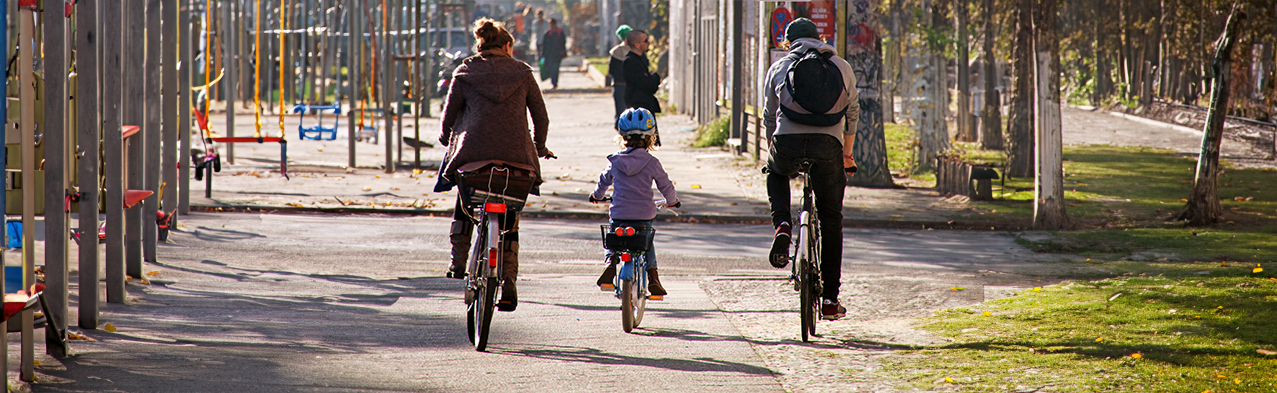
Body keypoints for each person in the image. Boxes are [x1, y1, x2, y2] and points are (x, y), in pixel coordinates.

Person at [439, 18, 555, 312]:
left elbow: (448, 117)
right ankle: (509, 279)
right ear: (507, 46)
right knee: (510, 215)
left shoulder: (464, 72)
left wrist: (444, 138)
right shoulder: (523, 72)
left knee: (464, 191)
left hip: (475, 158)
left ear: (480, 44)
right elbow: (541, 118)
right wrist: (539, 147)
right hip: (518, 161)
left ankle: (458, 261)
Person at [761, 18, 859, 320]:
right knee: (831, 219)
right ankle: (830, 299)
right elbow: (853, 111)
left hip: (787, 143)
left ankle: (783, 225)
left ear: (788, 42)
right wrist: (847, 154)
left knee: (775, 172)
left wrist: (772, 149)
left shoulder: (778, 67)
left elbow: (768, 115)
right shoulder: (841, 66)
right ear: (819, 38)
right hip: (827, 145)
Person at [588, 108, 679, 297]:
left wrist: (596, 196)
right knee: (647, 243)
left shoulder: (615, 161)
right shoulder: (652, 162)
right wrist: (672, 201)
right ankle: (654, 277)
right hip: (644, 214)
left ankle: (610, 263)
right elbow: (666, 185)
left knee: (613, 239)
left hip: (620, 213)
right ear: (650, 138)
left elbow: (603, 181)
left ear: (622, 136)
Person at [621, 30, 660, 115]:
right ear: (637, 45)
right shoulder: (630, 62)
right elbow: (647, 84)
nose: (648, 42)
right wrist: (655, 77)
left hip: (646, 106)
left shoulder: (642, 59)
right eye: (645, 41)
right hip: (638, 108)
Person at [607, 25, 632, 120]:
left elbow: (611, 70)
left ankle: (620, 129)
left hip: (619, 85)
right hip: (632, 86)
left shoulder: (615, 52)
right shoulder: (636, 51)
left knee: (620, 112)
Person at [539, 19, 568, 89]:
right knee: (552, 68)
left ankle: (555, 82)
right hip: (550, 54)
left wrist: (563, 51)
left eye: (553, 25)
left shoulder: (560, 33)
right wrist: (543, 54)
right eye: (550, 25)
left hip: (558, 54)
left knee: (556, 68)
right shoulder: (547, 34)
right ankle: (553, 83)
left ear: (555, 25)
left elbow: (564, 42)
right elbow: (544, 45)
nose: (552, 26)